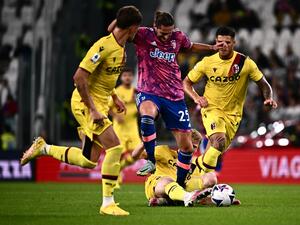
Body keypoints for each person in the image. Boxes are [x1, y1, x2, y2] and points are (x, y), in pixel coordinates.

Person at [20, 6, 142, 216]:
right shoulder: (102, 47)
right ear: (132, 28)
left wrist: (113, 97)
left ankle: (44, 149)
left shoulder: (119, 44)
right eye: (137, 28)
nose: (138, 32)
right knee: (114, 147)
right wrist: (93, 110)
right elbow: (79, 77)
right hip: (86, 104)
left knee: (89, 160)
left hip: (102, 102)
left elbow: (103, 76)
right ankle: (107, 203)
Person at [108, 11, 223, 187]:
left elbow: (190, 46)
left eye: (169, 32)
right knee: (147, 114)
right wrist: (125, 16)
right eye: (163, 33)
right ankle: (151, 160)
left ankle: (179, 186)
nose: (166, 36)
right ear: (155, 27)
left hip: (175, 96)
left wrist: (211, 48)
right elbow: (113, 31)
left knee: (186, 146)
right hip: (149, 91)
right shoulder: (143, 34)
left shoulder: (177, 37)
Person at [183, 26, 278, 176]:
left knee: (216, 153)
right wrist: (196, 97)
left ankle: (196, 175)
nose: (224, 45)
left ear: (234, 42)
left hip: (233, 115)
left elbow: (263, 83)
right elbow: (186, 83)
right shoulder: (207, 62)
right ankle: (194, 172)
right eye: (220, 42)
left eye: (227, 42)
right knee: (218, 140)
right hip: (211, 108)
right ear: (216, 42)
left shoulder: (245, 63)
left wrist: (268, 98)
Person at [132, 129, 217, 206]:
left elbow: (208, 157)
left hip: (182, 188)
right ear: (182, 143)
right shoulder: (163, 151)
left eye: (194, 147)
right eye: (190, 145)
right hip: (158, 186)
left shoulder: (195, 163)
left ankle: (168, 201)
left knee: (211, 177)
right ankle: (185, 197)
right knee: (168, 180)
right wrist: (145, 142)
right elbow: (135, 156)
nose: (191, 149)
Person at [109, 67, 142, 181]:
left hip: (132, 126)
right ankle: (115, 180)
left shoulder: (136, 92)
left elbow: (142, 107)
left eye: (129, 75)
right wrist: (116, 116)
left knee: (138, 154)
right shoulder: (117, 92)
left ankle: (119, 169)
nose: (127, 78)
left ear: (132, 77)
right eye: (125, 75)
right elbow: (107, 108)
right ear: (121, 77)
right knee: (119, 154)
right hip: (120, 128)